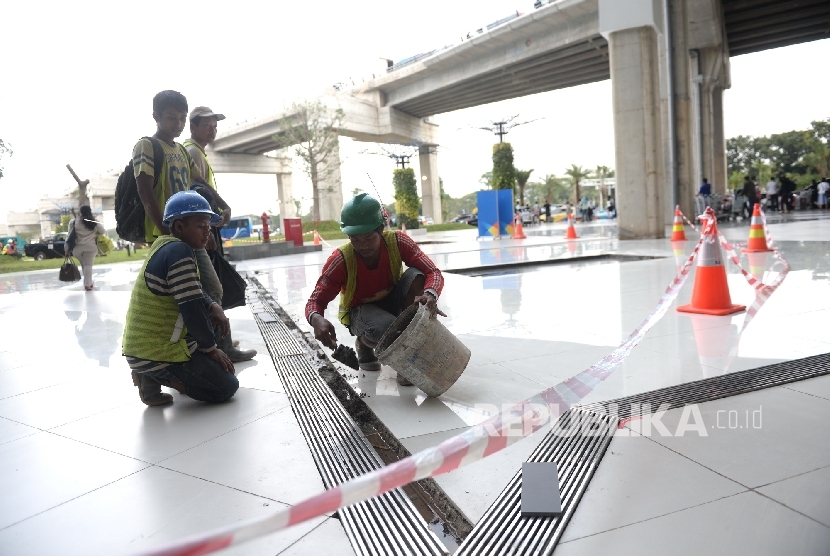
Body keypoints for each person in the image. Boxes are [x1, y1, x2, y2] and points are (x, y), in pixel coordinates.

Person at [305, 193, 445, 385]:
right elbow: (315, 300)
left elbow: (433, 272)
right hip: (361, 313)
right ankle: (366, 344)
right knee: (386, 327)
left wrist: (430, 294)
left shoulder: (398, 242)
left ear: (380, 230)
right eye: (356, 239)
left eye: (369, 238)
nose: (363, 246)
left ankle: (406, 352)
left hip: (392, 302)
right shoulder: (340, 260)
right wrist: (316, 318)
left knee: (416, 275)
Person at [122, 191, 239, 406]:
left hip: (141, 346)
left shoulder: (165, 245)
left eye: (208, 227)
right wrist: (210, 349)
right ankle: (159, 376)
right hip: (156, 349)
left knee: (210, 321)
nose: (208, 233)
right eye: (201, 226)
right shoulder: (180, 252)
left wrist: (212, 304)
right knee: (226, 387)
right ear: (179, 227)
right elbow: (191, 307)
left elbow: (192, 291)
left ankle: (148, 373)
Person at [184, 106, 255, 362]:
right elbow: (198, 191)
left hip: (205, 226)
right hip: (204, 228)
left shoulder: (196, 151)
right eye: (207, 126)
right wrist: (209, 227)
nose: (212, 130)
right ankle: (224, 346)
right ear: (193, 127)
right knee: (213, 286)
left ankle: (218, 340)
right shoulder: (192, 151)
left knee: (211, 286)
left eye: (215, 126)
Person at [133, 90, 210, 246]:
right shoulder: (146, 145)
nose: (178, 124)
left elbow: (200, 181)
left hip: (186, 229)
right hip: (162, 232)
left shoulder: (182, 150)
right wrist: (167, 231)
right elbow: (144, 191)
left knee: (197, 269)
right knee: (175, 269)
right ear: (156, 116)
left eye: (182, 118)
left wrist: (223, 206)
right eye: (171, 118)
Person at [66, 206, 106, 290]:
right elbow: (103, 231)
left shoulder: (73, 222)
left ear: (80, 212)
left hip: (77, 249)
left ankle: (89, 282)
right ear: (90, 211)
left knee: (84, 265)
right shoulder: (93, 222)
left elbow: (69, 235)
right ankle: (88, 284)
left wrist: (67, 249)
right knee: (88, 265)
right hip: (90, 247)